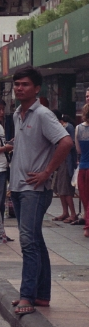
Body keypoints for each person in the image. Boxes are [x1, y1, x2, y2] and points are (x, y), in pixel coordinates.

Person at [8, 68, 73, 314]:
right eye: (16, 84)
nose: (19, 88)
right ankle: (41, 295)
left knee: (28, 242)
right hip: (18, 187)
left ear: (37, 89)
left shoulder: (43, 114)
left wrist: (47, 172)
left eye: (24, 84)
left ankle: (27, 295)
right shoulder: (17, 114)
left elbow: (65, 142)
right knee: (35, 240)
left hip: (35, 190)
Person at [50, 110, 78, 223]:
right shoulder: (58, 128)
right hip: (60, 161)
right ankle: (65, 212)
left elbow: (71, 144)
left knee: (66, 188)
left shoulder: (68, 127)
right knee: (60, 187)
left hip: (67, 161)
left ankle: (73, 213)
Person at [76, 102, 89, 238]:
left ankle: (87, 225)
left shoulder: (78, 128)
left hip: (83, 167)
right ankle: (87, 227)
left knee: (85, 199)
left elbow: (78, 149)